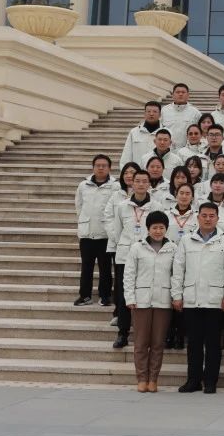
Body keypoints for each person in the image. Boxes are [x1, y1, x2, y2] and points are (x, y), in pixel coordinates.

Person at [170, 202, 224, 394]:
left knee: (213, 344)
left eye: (211, 216)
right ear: (198, 217)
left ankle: (210, 381)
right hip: (192, 299)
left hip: (215, 300)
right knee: (194, 344)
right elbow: (178, 269)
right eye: (204, 215)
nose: (208, 219)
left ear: (217, 218)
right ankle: (193, 380)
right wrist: (177, 295)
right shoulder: (186, 240)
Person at [104, 170, 162, 349]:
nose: (141, 184)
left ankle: (145, 334)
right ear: (132, 183)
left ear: (149, 184)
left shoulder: (157, 206)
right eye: (138, 181)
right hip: (125, 256)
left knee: (145, 294)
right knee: (124, 295)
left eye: (145, 181)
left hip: (147, 256)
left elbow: (159, 230)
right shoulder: (122, 206)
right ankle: (122, 332)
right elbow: (117, 230)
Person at [123, 209, 177, 392]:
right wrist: (130, 297)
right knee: (140, 343)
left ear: (166, 229)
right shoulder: (137, 248)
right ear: (148, 229)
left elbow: (176, 275)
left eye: (161, 227)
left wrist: (175, 296)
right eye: (154, 227)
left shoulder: (173, 248)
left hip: (163, 301)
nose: (158, 231)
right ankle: (141, 378)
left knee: (157, 343)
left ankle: (153, 378)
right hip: (141, 301)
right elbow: (129, 274)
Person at [75, 153, 117, 307]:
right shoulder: (83, 185)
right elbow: (79, 205)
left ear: (109, 168)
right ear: (93, 167)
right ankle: (84, 295)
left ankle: (105, 296)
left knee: (105, 268)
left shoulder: (115, 186)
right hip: (87, 233)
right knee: (86, 267)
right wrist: (83, 221)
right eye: (98, 165)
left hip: (105, 234)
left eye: (104, 166)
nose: (100, 168)